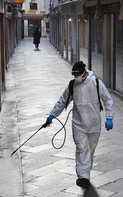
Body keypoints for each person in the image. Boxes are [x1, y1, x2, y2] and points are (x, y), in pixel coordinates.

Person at [46, 61, 114, 189]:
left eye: (77, 74)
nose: (75, 77)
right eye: (73, 74)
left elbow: (108, 100)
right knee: (82, 148)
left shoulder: (96, 83)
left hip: (94, 124)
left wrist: (109, 117)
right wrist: (52, 115)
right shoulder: (72, 85)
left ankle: (86, 173)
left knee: (90, 150)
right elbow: (62, 101)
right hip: (78, 124)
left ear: (84, 73)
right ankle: (83, 177)